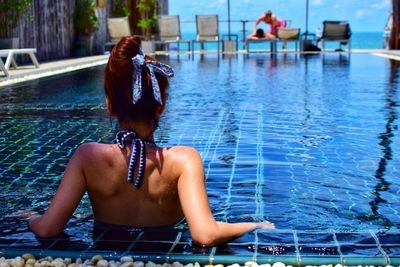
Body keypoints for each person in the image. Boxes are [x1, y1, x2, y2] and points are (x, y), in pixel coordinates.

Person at [28, 36, 275, 247]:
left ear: (110, 106)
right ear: (162, 105)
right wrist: (254, 225)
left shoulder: (87, 157)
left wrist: (30, 217)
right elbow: (205, 234)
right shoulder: (183, 161)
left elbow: (48, 229)